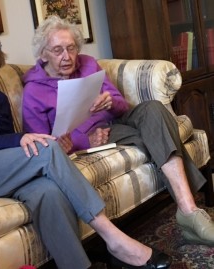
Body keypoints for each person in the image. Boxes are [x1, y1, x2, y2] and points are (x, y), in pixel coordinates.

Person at [0, 20, 171, 269]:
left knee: (47, 191)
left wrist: (21, 147)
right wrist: (19, 140)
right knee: (46, 147)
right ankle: (114, 238)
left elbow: (4, 148)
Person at [22, 15, 214, 250]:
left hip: (117, 121)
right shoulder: (33, 91)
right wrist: (84, 141)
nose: (66, 56)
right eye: (57, 50)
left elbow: (122, 106)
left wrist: (109, 102)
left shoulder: (89, 64)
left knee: (154, 109)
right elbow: (42, 145)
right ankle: (190, 210)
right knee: (158, 136)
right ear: (43, 54)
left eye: (71, 48)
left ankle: (188, 211)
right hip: (93, 140)